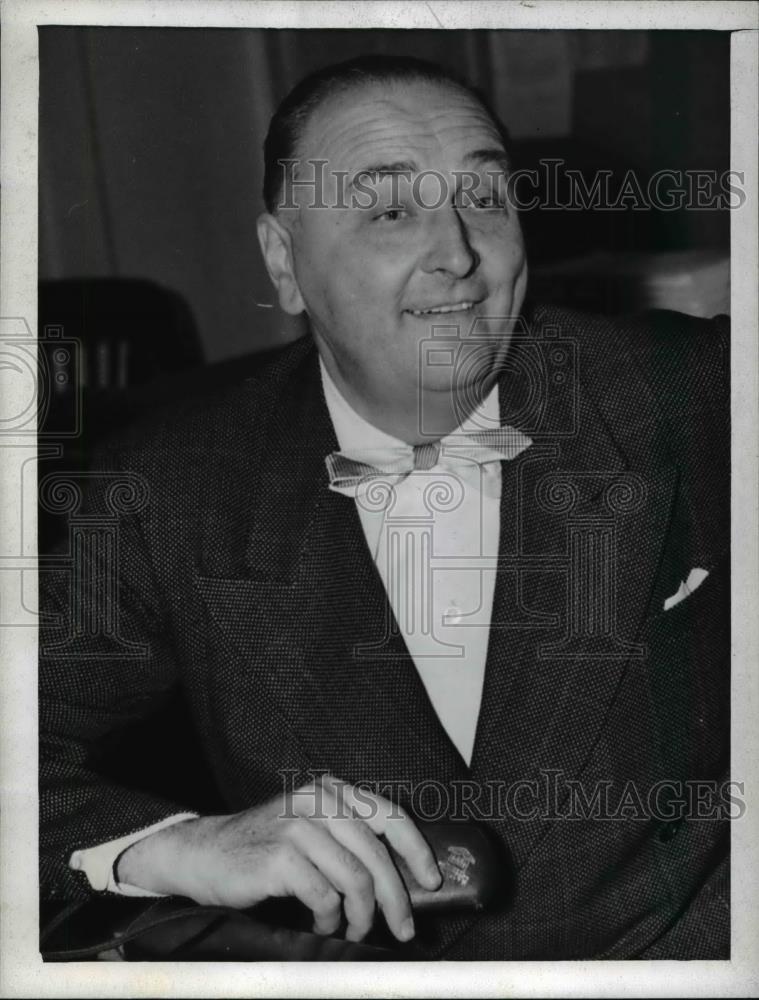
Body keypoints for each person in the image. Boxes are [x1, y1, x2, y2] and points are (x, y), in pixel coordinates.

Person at [39, 54, 730, 960]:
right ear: (284, 263)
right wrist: (172, 847)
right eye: (391, 210)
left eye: (484, 199)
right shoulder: (168, 489)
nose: (457, 253)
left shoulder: (688, 392)